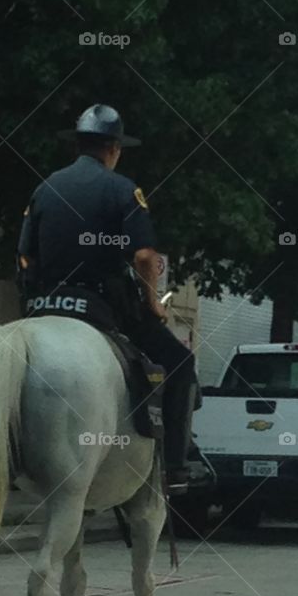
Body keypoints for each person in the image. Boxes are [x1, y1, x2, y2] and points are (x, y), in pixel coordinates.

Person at [18, 103, 197, 490]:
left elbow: (25, 256)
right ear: (114, 149)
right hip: (105, 303)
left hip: (45, 303)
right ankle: (174, 466)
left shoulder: (44, 188)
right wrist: (152, 303)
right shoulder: (121, 189)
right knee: (181, 364)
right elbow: (145, 256)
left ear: (78, 146)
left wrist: (34, 298)